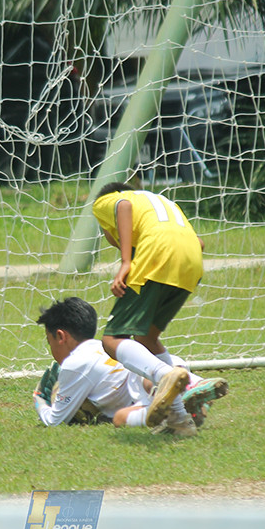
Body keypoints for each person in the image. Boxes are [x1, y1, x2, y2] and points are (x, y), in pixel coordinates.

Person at [91, 181, 205, 427]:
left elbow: (122, 206)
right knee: (146, 339)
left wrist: (125, 262)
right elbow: (200, 243)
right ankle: (182, 413)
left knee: (112, 340)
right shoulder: (162, 202)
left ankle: (167, 375)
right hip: (191, 262)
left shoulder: (109, 199)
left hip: (157, 254)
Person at [33, 297, 225, 436]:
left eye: (49, 342)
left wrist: (40, 401)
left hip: (142, 390)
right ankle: (192, 389)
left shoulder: (73, 364)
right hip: (167, 365)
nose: (51, 350)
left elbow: (55, 421)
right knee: (130, 402)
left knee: (122, 417)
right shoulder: (102, 347)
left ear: (60, 336)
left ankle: (176, 405)